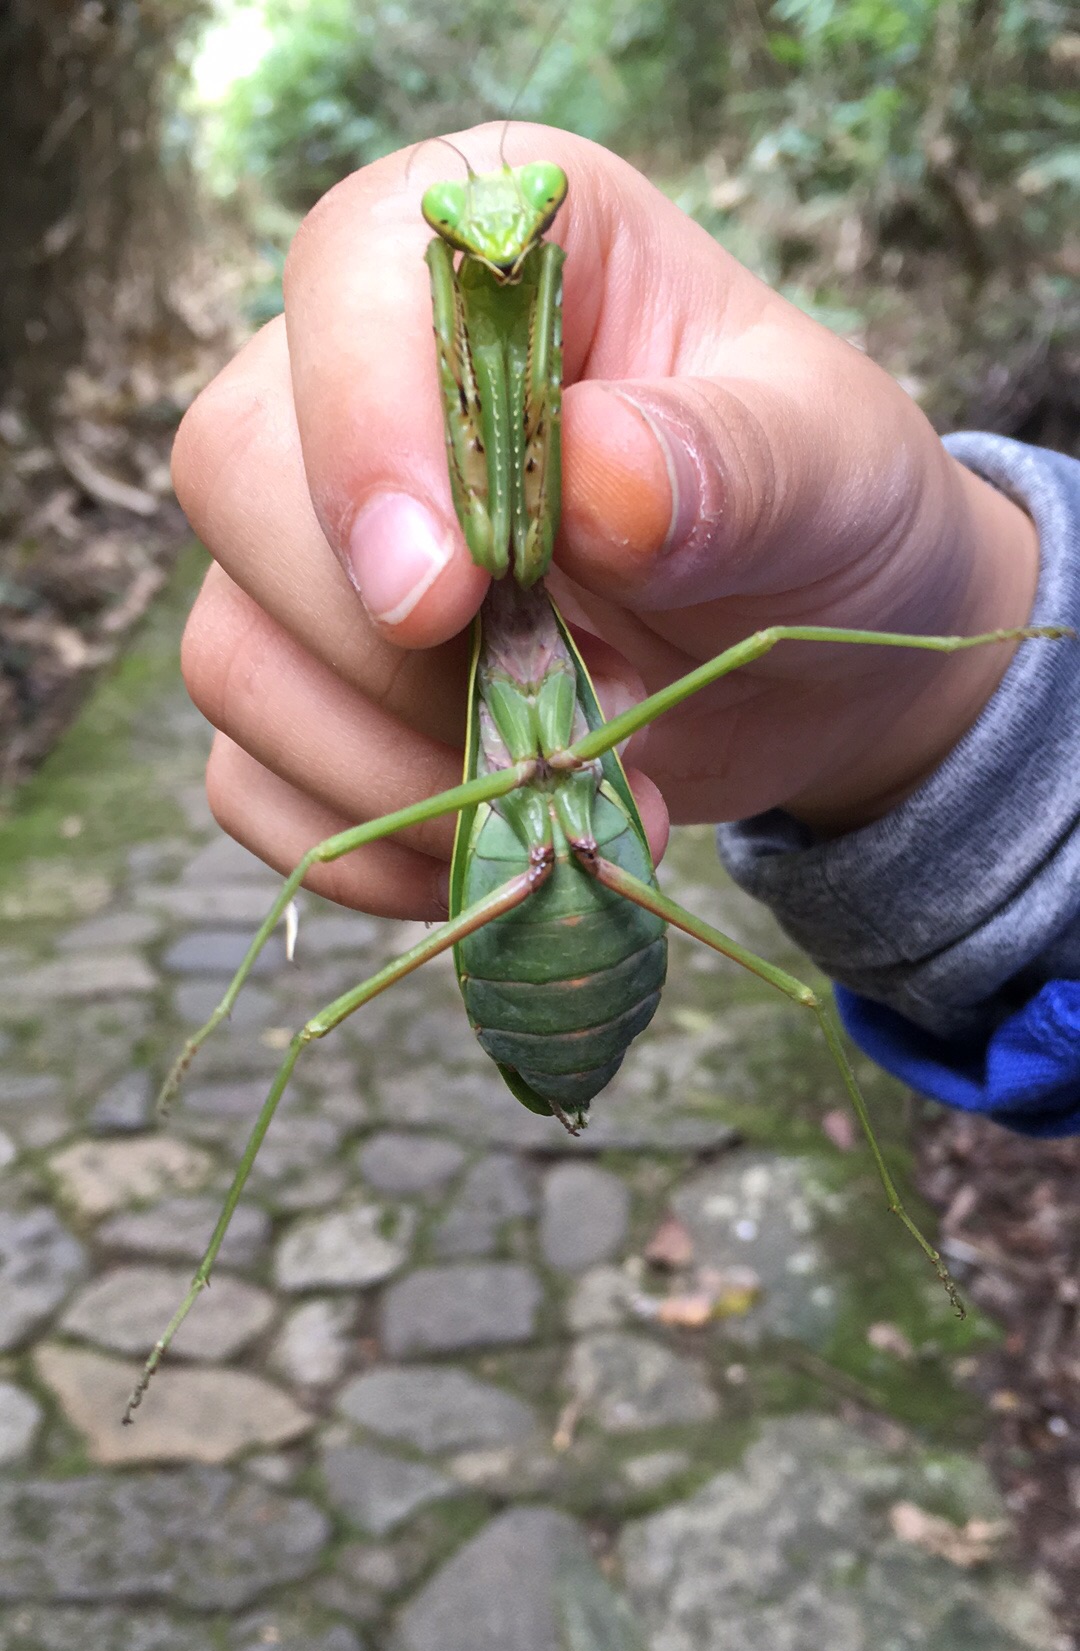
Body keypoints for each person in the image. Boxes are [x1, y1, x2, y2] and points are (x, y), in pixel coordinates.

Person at [171, 127, 1080, 1135]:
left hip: (597, 862)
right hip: (547, 963)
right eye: (466, 239)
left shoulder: (570, 330)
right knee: (313, 962)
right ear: (446, 263)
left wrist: (966, 637)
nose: (512, 249)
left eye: (538, 218)